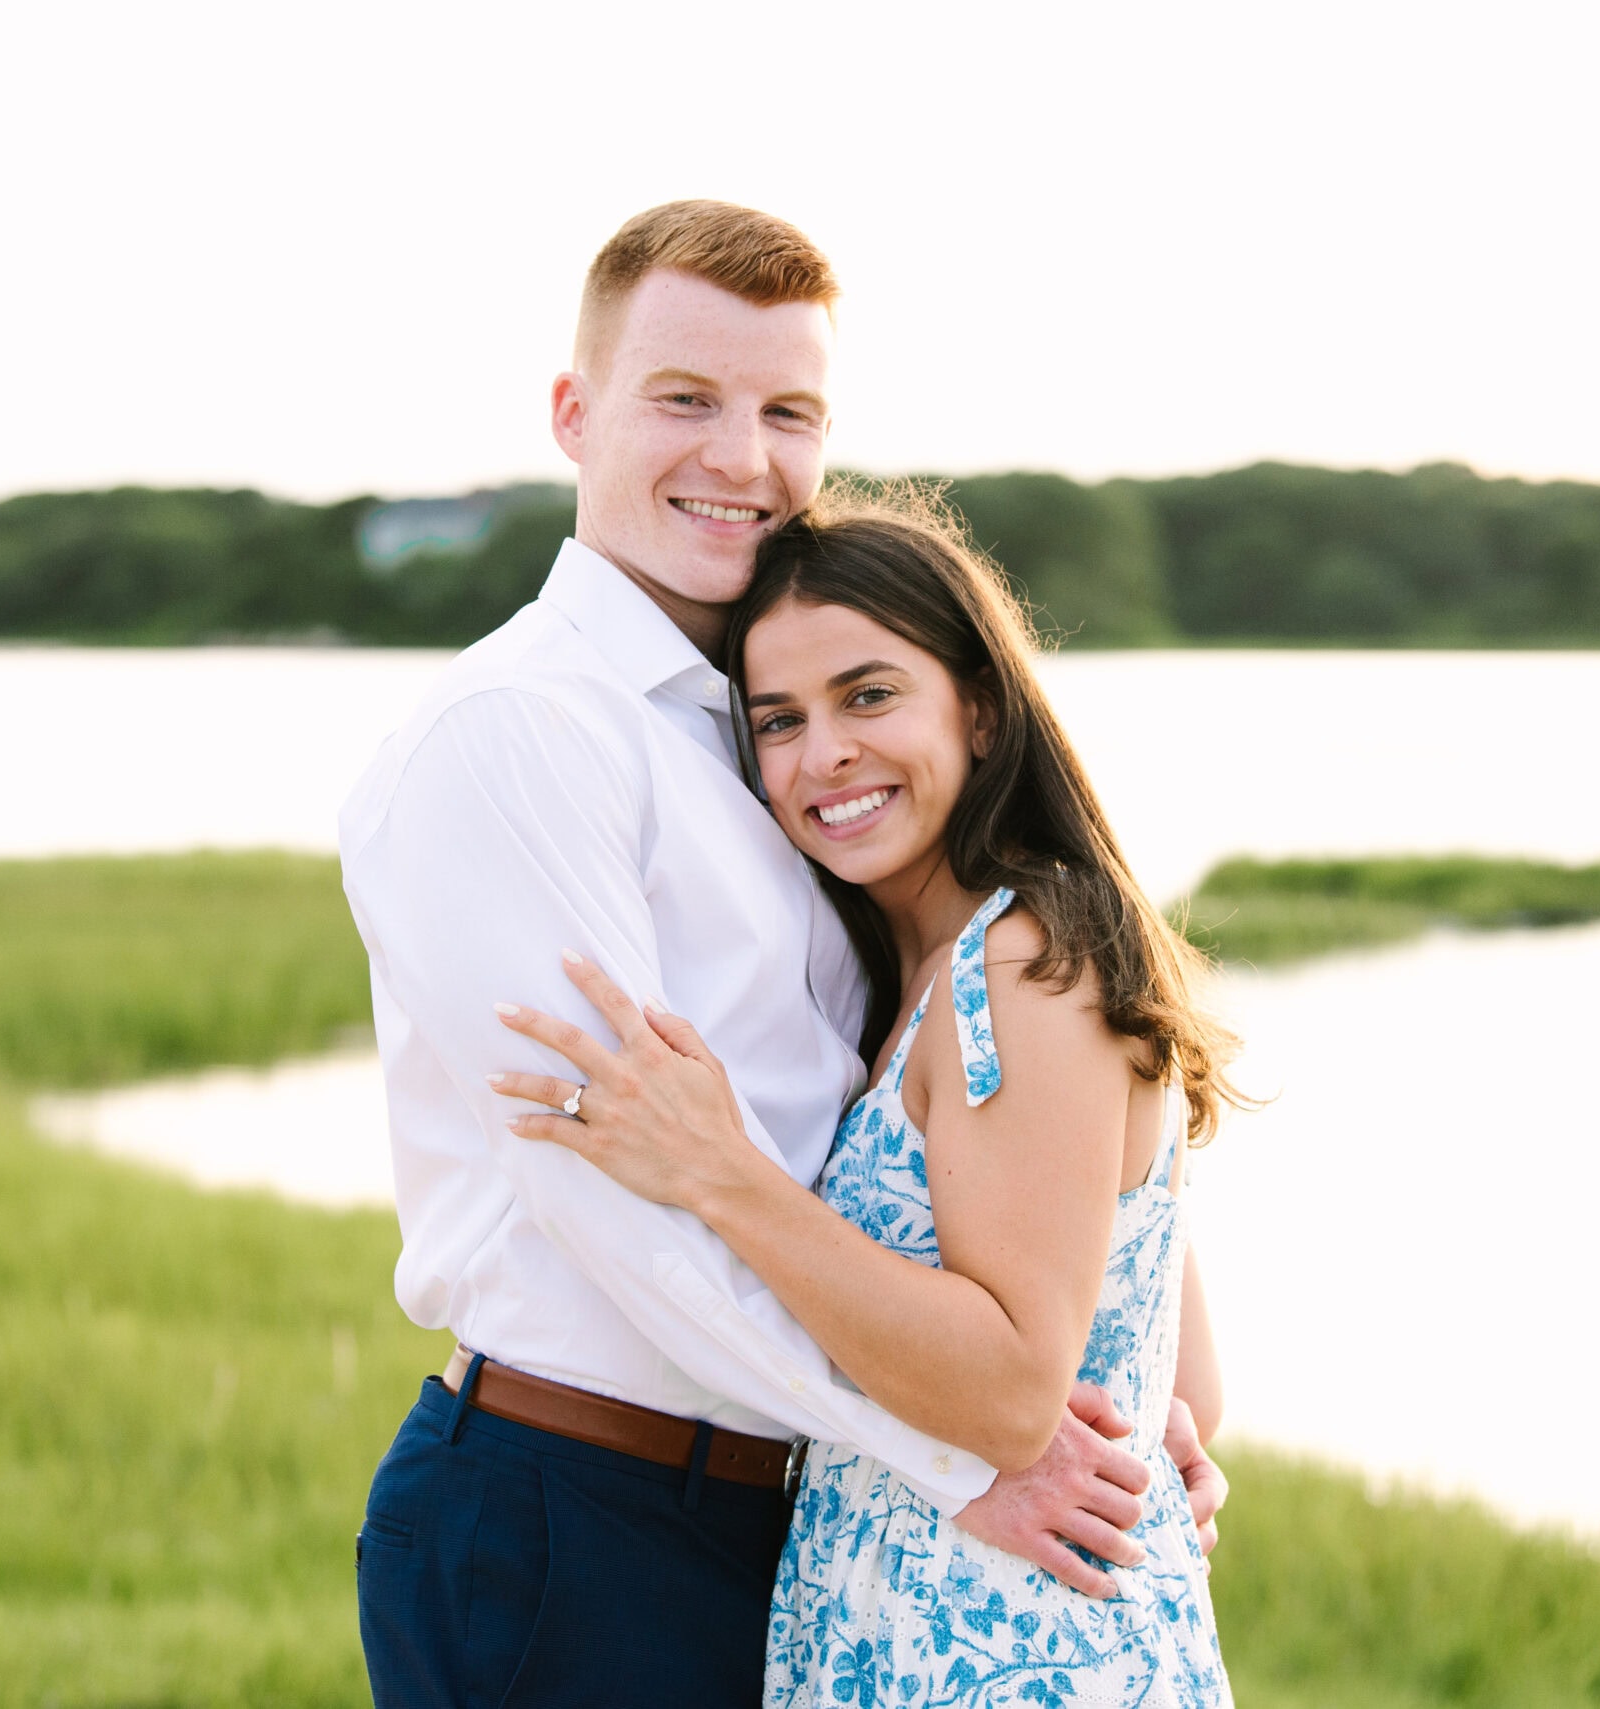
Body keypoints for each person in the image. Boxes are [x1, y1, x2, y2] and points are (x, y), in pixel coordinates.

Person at [339, 202, 1214, 1707]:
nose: (740, 456)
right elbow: (608, 1196)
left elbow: (976, 1125)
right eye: (686, 398)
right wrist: (951, 1447)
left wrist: (1126, 1377)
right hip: (583, 1498)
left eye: (787, 411)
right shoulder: (521, 736)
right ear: (574, 412)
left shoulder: (758, 733)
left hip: (791, 1508)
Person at [492, 488, 1243, 1706]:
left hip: (1010, 1656)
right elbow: (1181, 1391)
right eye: (777, 719)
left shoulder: (1017, 964)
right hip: (923, 1637)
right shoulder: (919, 978)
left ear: (982, 709)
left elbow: (1013, 1392)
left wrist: (720, 1173)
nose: (821, 752)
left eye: (869, 694)